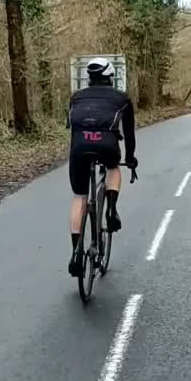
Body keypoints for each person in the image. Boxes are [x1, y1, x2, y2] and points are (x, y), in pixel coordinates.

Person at [67, 58, 138, 276]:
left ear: (89, 78)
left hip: (79, 147)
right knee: (113, 168)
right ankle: (111, 209)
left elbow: (73, 128)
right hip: (107, 145)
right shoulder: (121, 98)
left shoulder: (76, 97)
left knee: (80, 197)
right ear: (110, 77)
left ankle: (76, 254)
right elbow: (129, 134)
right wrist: (131, 158)